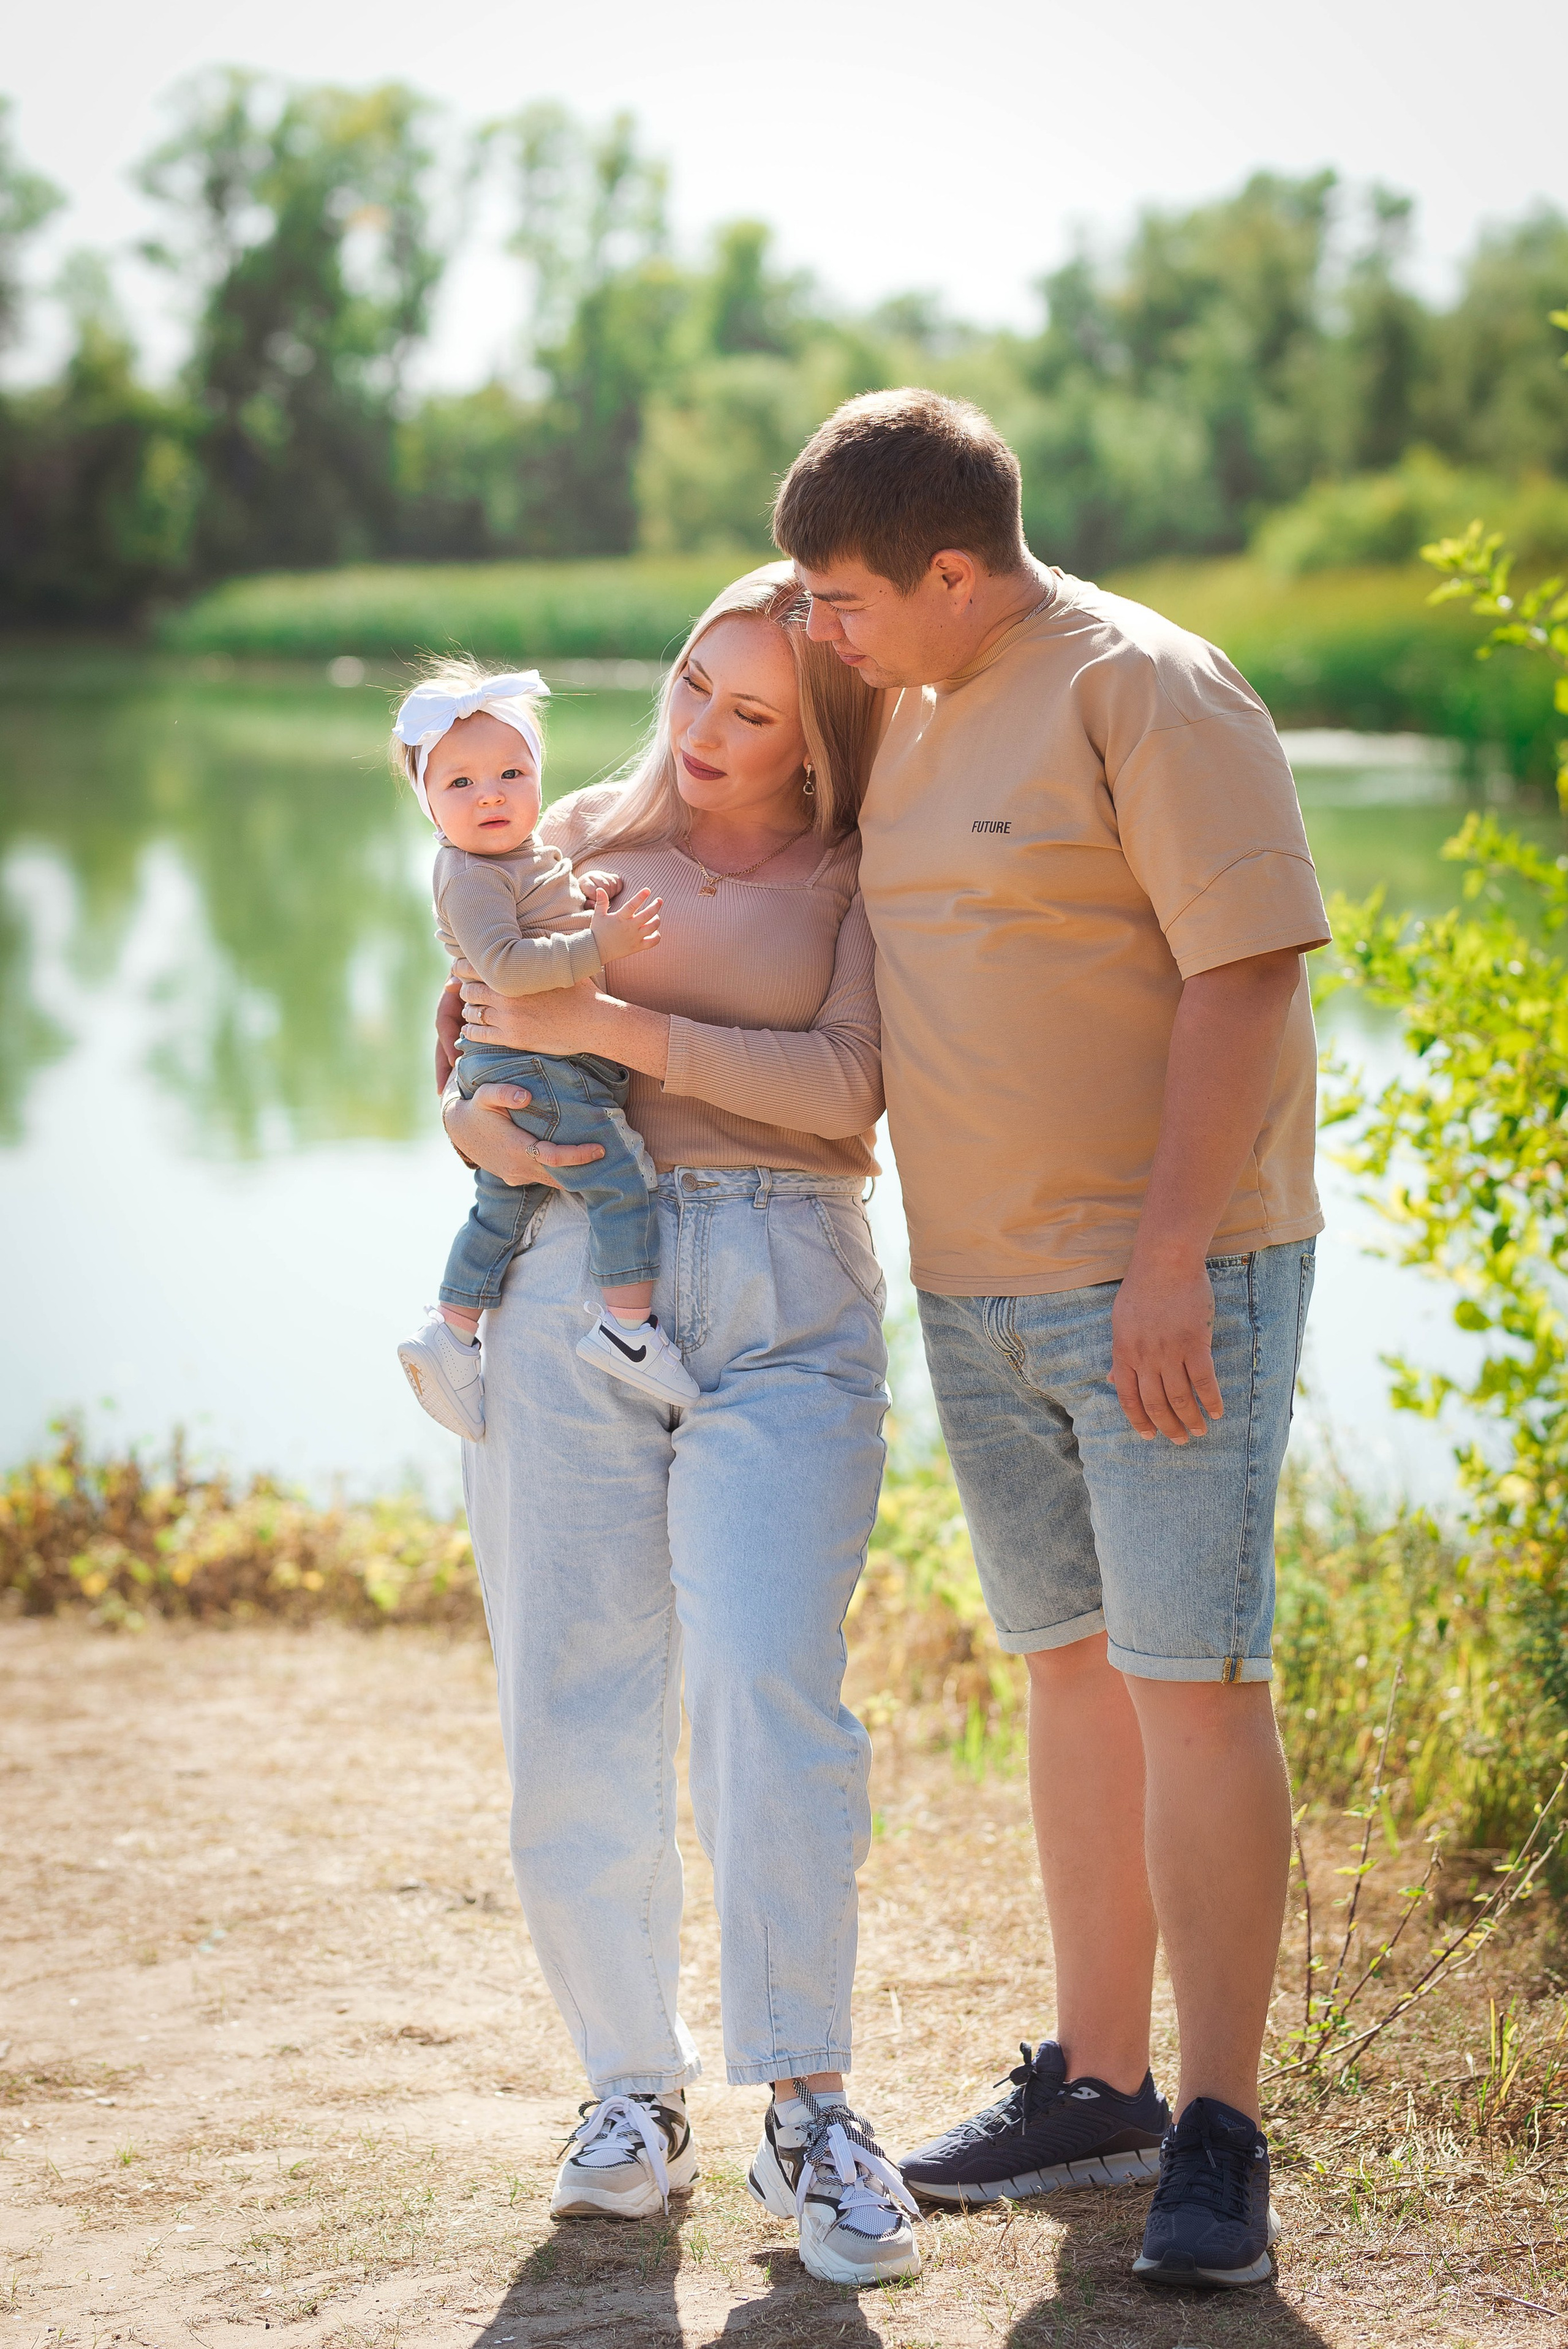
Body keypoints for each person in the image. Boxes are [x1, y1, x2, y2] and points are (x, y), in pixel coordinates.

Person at [773, 390, 1330, 2289]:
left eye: (843, 596)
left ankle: (1221, 2139)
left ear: (950, 571)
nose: (815, 628)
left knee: (1194, 1678)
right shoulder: (895, 695)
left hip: (1168, 1279)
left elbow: (1246, 967)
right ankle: (1099, 2085)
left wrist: (1170, 1253)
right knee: (1072, 1673)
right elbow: (699, 761)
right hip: (975, 1287)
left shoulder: (1145, 687)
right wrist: (508, 962)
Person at [438, 565, 921, 2286]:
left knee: (765, 1677)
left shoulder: (862, 869)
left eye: (755, 713)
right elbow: (472, 1044)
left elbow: (848, 1087)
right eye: (694, 686)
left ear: (822, 738)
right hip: (577, 1269)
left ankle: (810, 2102)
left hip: (791, 1288)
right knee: (574, 1684)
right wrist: (481, 1133)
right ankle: (628, 2096)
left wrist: (627, 1024)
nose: (705, 734)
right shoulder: (554, 827)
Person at [392, 660, 698, 1434]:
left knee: (505, 1201)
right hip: (535, 1064)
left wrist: (583, 902)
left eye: (510, 771)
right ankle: (628, 1330)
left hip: (529, 1065)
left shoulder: (513, 858)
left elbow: (542, 909)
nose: (490, 793)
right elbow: (506, 968)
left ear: (538, 775)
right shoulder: (468, 876)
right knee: (620, 1180)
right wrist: (600, 942)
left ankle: (453, 1334)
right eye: (459, 783)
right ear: (426, 800)